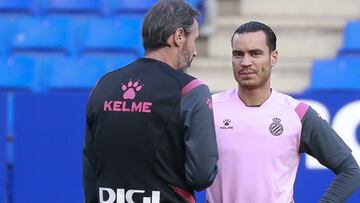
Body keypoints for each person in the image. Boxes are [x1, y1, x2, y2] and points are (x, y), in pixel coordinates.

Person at [206, 21, 360, 203]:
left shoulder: (296, 113)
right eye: (238, 54)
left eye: (255, 53)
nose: (245, 62)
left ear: (274, 57)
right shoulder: (210, 108)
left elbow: (351, 170)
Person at [82, 1, 218, 203]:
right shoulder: (191, 91)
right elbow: (201, 176)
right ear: (179, 36)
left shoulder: (103, 85)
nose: (195, 51)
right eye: (194, 40)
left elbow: (91, 166)